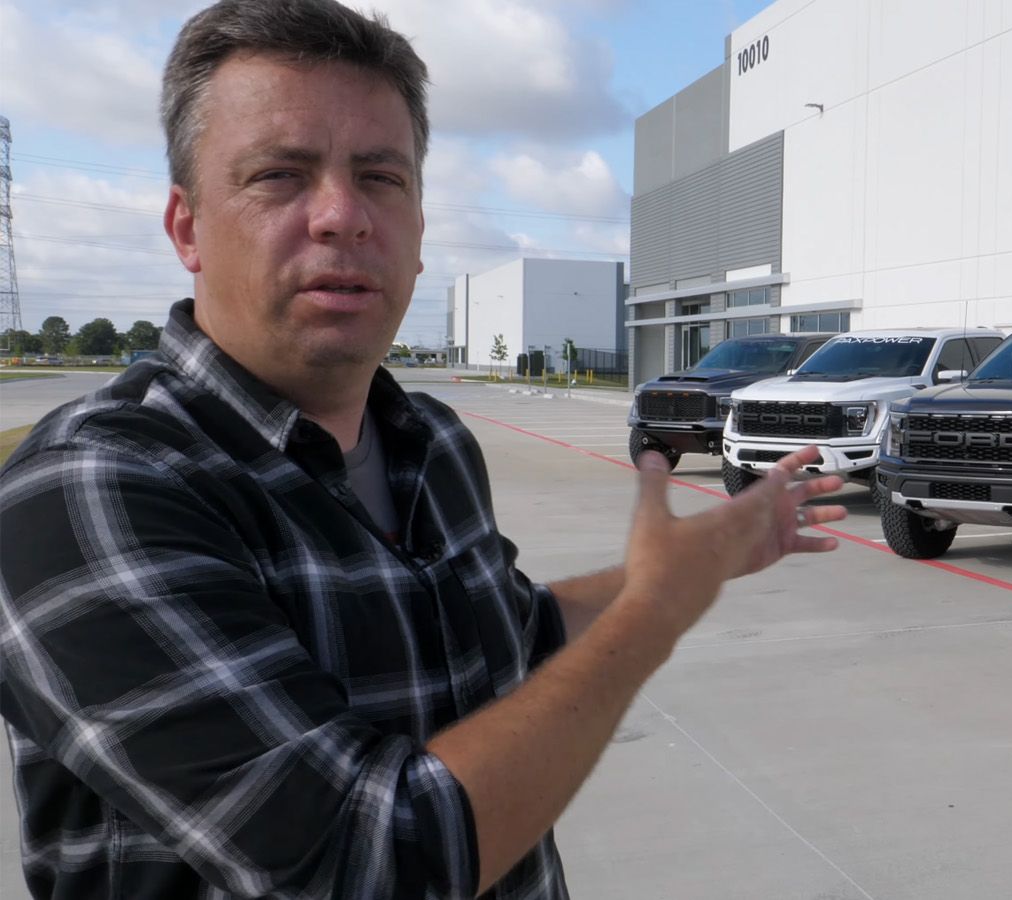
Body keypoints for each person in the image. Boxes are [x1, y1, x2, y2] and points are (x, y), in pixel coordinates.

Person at [0, 1, 847, 896]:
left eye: (381, 177)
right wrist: (656, 614)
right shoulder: (90, 491)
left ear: (416, 230)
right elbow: (373, 862)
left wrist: (699, 559)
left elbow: (512, 637)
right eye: (280, 175)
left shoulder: (429, 441)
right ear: (187, 229)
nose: (342, 216)